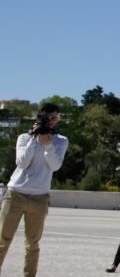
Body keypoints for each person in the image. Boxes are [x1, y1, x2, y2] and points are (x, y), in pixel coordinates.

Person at [0, 103, 68, 277]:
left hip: (39, 197)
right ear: (40, 118)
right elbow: (22, 163)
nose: (51, 121)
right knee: (3, 240)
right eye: (48, 118)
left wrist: (47, 145)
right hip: (15, 194)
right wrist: (33, 139)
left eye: (55, 117)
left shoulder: (60, 140)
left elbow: (55, 166)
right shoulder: (24, 137)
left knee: (32, 244)